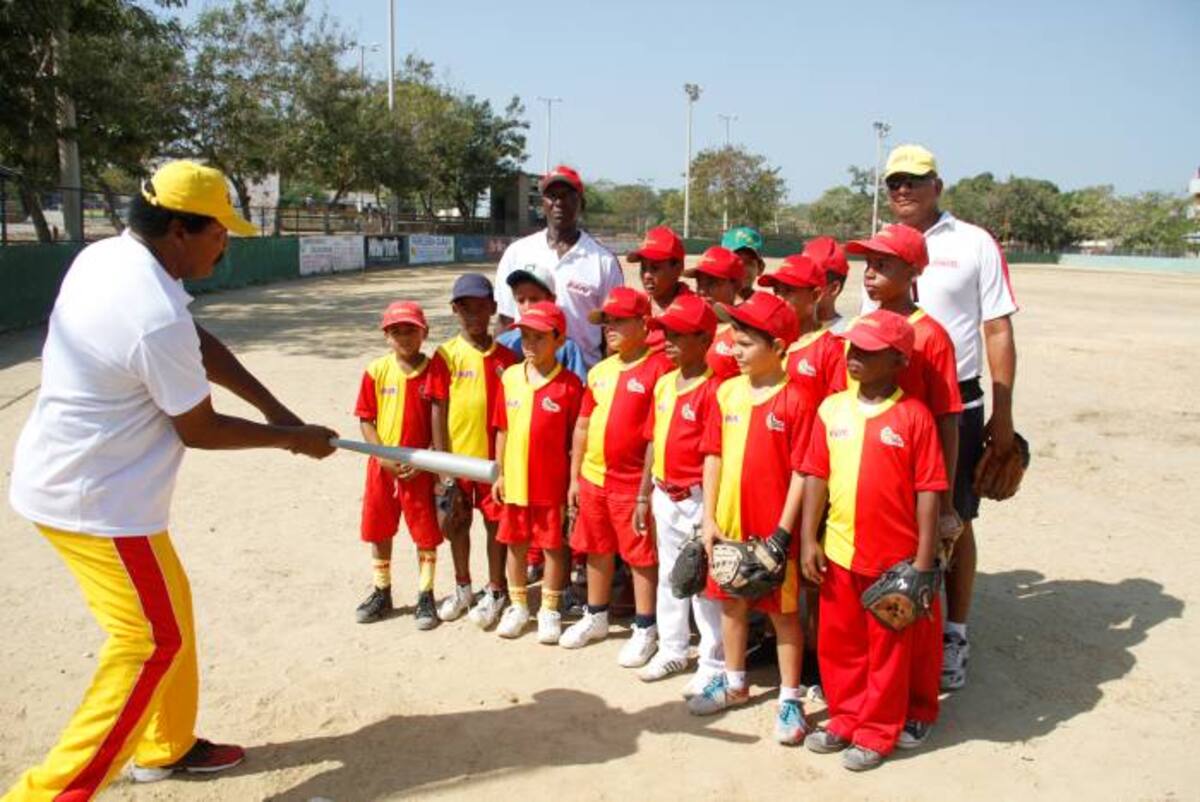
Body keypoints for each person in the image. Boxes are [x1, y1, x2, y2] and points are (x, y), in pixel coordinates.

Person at [5, 160, 338, 799]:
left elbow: (198, 342)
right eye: (220, 232)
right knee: (149, 640)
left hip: (90, 485)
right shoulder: (148, 308)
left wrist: (276, 410)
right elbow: (200, 428)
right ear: (181, 230)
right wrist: (290, 442)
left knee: (169, 612)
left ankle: (165, 745)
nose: (226, 245)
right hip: (96, 502)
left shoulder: (113, 258)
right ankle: (47, 794)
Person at [876, 144, 1019, 690]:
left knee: (955, 519)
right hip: (890, 398)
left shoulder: (973, 242)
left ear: (938, 185)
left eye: (914, 180)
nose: (903, 190)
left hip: (955, 400)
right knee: (895, 516)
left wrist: (1002, 419)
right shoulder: (883, 244)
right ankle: (899, 622)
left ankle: (954, 633)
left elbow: (998, 330)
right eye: (894, 183)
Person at [798, 309, 947, 771]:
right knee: (840, 643)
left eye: (869, 351)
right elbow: (816, 476)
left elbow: (928, 492)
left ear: (899, 360)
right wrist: (808, 538)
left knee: (887, 648)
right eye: (853, 347)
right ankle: (846, 716)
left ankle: (878, 730)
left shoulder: (914, 417)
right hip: (840, 551)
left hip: (893, 563)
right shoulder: (832, 409)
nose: (854, 356)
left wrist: (923, 563)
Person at [840, 224, 963, 744]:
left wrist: (947, 503)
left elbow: (947, 418)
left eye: (884, 264)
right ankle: (869, 701)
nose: (870, 272)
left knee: (916, 600)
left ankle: (918, 705)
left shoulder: (930, 334)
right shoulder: (861, 328)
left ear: (914, 272)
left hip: (917, 487)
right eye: (866, 262)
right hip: (867, 482)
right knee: (869, 603)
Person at [691, 292, 815, 749]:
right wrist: (708, 518)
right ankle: (735, 680)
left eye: (745, 343)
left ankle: (789, 698)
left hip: (772, 531)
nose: (735, 351)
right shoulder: (726, 392)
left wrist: (784, 532)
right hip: (728, 523)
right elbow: (713, 456)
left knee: (784, 615)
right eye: (734, 342)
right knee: (731, 603)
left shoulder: (798, 400)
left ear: (778, 346)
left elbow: (804, 470)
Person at [561, 288, 672, 664]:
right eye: (606, 321)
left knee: (641, 556)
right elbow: (582, 425)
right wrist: (575, 479)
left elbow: (658, 436)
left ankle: (645, 627)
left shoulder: (660, 369)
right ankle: (596, 615)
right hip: (594, 479)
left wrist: (644, 490)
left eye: (619, 320)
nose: (609, 328)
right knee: (596, 547)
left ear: (644, 324)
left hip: (631, 484)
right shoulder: (600, 371)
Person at [636, 293, 725, 689]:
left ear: (705, 340)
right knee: (671, 576)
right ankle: (673, 649)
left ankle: (713, 662)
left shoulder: (716, 390)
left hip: (697, 499)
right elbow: (653, 441)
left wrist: (710, 512)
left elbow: (714, 455)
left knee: (703, 581)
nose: (667, 340)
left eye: (679, 334)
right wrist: (642, 494)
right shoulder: (665, 383)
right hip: (663, 492)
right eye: (665, 332)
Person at [353, 301, 453, 630]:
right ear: (386, 336)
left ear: (424, 332)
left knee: (425, 531)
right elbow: (366, 418)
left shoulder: (434, 369)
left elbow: (441, 420)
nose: (404, 337)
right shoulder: (376, 371)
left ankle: (426, 593)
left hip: (418, 467)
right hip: (382, 466)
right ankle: (382, 590)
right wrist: (382, 456)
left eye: (411, 330)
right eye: (396, 331)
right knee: (379, 527)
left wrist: (426, 458)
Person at [491, 302, 584, 641]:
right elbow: (502, 429)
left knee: (552, 546)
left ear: (560, 341)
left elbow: (577, 438)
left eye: (539, 337)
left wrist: (573, 481)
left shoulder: (571, 385)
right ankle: (518, 605)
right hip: (515, 479)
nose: (529, 344)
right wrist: (499, 473)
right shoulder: (512, 377)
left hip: (550, 483)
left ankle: (549, 608)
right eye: (525, 336)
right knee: (515, 544)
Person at [434, 275, 520, 628]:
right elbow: (438, 409)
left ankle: (496, 588)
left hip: (494, 463)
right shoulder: (445, 355)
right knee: (457, 523)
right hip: (458, 460)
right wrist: (443, 468)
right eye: (465, 306)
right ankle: (463, 586)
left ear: (494, 308)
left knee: (495, 525)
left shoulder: (507, 357)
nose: (473, 313)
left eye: (481, 306)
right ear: (455, 309)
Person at [493, 165, 625, 369]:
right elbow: (505, 319)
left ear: (581, 203)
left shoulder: (603, 261)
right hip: (527, 375)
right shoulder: (517, 252)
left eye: (567, 196)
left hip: (583, 376)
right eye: (551, 196)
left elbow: (612, 330)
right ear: (542, 203)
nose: (559, 203)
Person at [758, 253, 841, 408]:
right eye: (776, 290)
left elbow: (836, 409)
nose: (779, 298)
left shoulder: (831, 348)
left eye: (788, 291)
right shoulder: (762, 340)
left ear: (815, 295)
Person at [496, 264, 588, 381]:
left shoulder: (566, 347)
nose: (528, 306)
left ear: (552, 300)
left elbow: (577, 388)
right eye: (521, 300)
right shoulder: (505, 343)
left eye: (534, 299)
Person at [626, 225, 693, 352]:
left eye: (655, 268)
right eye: (643, 268)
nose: (647, 276)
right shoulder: (634, 306)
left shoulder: (695, 311)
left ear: (678, 268)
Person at [686, 246, 745, 381]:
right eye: (700, 283)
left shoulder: (746, 333)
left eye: (712, 283)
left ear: (736, 285)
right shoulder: (686, 327)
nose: (702, 291)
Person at [803, 236, 851, 333]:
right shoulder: (786, 330)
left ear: (834, 289)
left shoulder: (846, 336)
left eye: (811, 280)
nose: (800, 284)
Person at [722, 226, 766, 300]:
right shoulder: (711, 304)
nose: (742, 269)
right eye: (736, 262)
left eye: (749, 263)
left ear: (760, 268)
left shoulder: (765, 308)